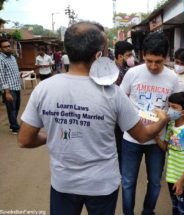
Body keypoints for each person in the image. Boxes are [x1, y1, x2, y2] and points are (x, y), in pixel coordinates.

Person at [17, 21, 169, 215]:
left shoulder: (43, 89)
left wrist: (52, 134)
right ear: (98, 56)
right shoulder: (113, 93)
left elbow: (24, 140)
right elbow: (142, 136)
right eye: (106, 52)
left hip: (63, 184)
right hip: (102, 186)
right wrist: (163, 120)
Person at [120, 32, 179, 215]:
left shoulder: (172, 78)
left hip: (157, 141)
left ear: (166, 57)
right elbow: (121, 100)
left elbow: (175, 109)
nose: (153, 66)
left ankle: (148, 211)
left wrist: (166, 117)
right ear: (143, 55)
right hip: (131, 138)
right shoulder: (133, 73)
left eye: (158, 62)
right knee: (128, 182)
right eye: (149, 61)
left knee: (154, 181)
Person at [155, 92, 184, 215]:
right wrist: (156, 137)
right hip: (171, 176)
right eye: (169, 106)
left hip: (183, 179)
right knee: (175, 206)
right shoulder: (172, 126)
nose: (169, 110)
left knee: (183, 209)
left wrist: (181, 181)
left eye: (174, 107)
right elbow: (166, 148)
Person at [114, 40, 135, 167]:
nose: (131, 58)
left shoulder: (125, 69)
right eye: (129, 55)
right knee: (120, 147)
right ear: (120, 56)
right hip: (117, 117)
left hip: (123, 116)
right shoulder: (114, 73)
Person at [0, 38, 22, 134]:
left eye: (9, 46)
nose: (8, 48)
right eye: (5, 47)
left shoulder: (13, 57)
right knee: (11, 109)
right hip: (9, 89)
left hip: (17, 86)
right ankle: (15, 127)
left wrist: (19, 74)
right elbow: (1, 76)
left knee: (16, 107)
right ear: (1, 49)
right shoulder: (1, 59)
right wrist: (7, 92)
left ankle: (12, 124)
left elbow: (13, 71)